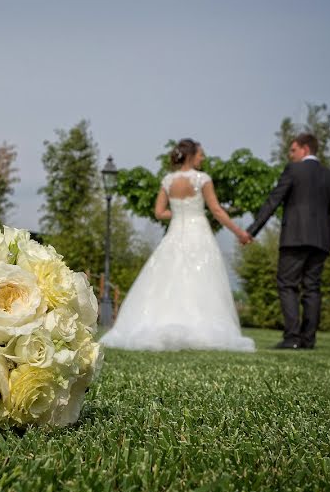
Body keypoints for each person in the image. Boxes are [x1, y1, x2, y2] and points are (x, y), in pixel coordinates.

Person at [101, 139, 255, 352]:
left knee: (168, 276)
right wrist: (240, 233)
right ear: (191, 156)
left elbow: (159, 212)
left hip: (175, 232)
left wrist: (180, 213)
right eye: (201, 154)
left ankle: (161, 322)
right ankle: (201, 326)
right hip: (198, 232)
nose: (203, 158)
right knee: (201, 278)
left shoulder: (168, 180)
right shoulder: (202, 179)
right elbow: (217, 211)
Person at [246, 132, 330, 349]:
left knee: (287, 285)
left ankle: (292, 338)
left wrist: (252, 230)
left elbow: (273, 201)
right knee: (312, 288)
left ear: (305, 149)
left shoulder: (294, 170)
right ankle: (308, 340)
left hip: (295, 238)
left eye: (293, 150)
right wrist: (327, 243)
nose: (290, 155)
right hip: (320, 242)